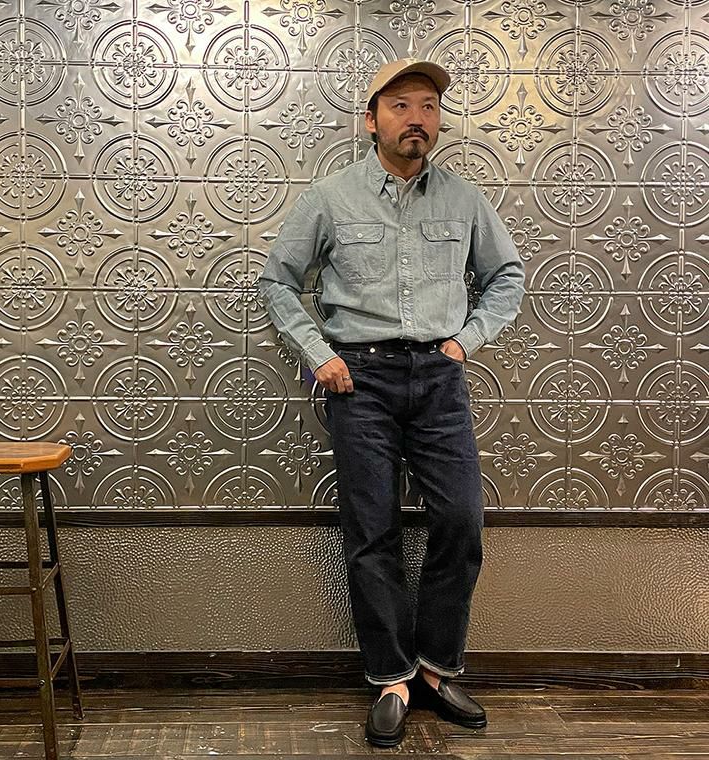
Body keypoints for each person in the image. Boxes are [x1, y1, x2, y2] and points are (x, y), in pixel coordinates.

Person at [259, 58, 525, 747]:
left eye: (429, 106)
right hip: (361, 382)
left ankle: (435, 669)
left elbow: (507, 275)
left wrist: (465, 343)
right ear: (371, 119)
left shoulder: (464, 199)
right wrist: (319, 355)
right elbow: (278, 280)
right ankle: (391, 679)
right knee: (371, 530)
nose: (417, 119)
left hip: (439, 378)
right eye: (402, 105)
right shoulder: (330, 196)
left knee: (461, 521)